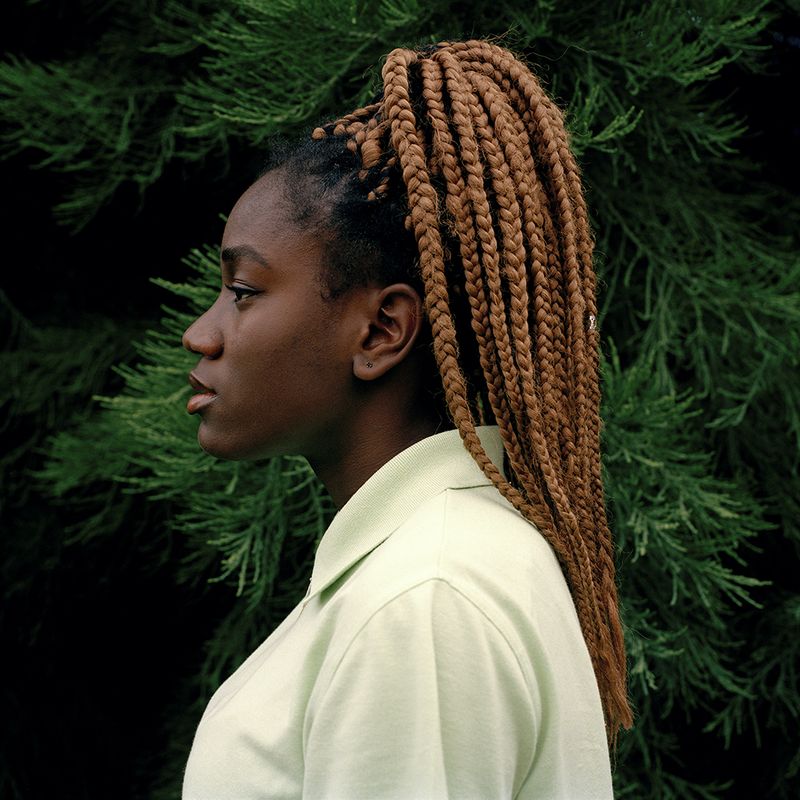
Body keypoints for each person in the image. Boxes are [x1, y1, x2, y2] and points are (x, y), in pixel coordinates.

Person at [180, 39, 633, 799]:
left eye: (245, 291)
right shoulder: (445, 566)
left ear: (381, 331)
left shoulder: (421, 599)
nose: (203, 333)